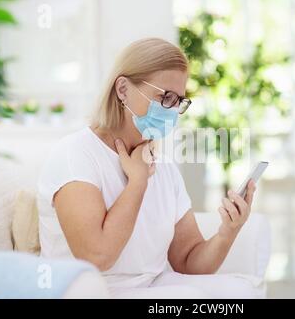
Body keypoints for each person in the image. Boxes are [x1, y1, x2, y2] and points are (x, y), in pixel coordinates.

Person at [37, 38, 262, 298]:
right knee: (187, 299)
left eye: (178, 101)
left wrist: (227, 231)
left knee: (240, 290)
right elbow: (96, 257)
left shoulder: (164, 166)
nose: (173, 112)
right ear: (122, 89)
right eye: (165, 97)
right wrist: (138, 182)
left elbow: (188, 261)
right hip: (88, 291)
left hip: (149, 288)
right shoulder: (75, 155)